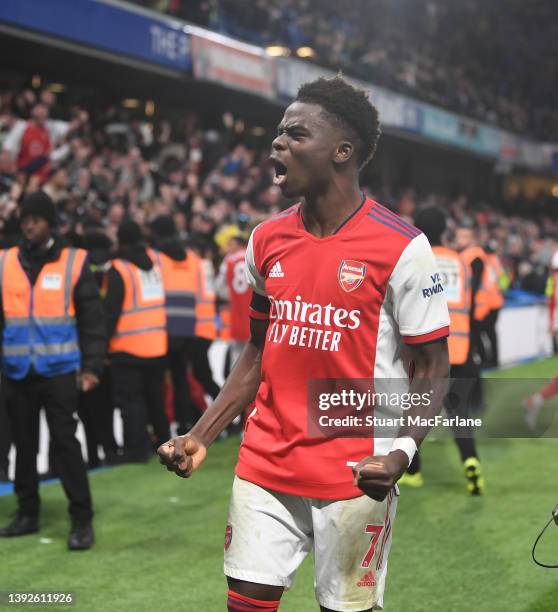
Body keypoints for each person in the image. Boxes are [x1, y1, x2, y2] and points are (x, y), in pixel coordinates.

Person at [159, 75, 450, 612]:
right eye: (278, 132)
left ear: (342, 151)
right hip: (264, 460)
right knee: (244, 603)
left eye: (295, 134)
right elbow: (256, 350)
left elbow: (433, 364)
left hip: (356, 472)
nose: (278, 143)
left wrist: (401, 454)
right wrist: (202, 433)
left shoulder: (402, 247)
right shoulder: (265, 240)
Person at [0, 191, 105, 549]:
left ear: (50, 222)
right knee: (24, 447)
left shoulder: (75, 261)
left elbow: (93, 320)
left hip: (61, 370)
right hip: (16, 371)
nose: (28, 224)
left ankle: (81, 519)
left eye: (36, 218)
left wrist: (91, 366)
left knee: (64, 444)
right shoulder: (5, 261)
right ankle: (27, 513)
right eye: (24, 218)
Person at [400, 206, 485, 495]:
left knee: (412, 408)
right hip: (459, 345)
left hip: (426, 348)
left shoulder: (416, 259)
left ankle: (413, 471)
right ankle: (471, 460)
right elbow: (469, 306)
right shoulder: (460, 262)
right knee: (458, 412)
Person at [105, 220, 169, 463]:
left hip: (127, 347)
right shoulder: (154, 263)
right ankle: (164, 442)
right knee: (156, 400)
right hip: (156, 345)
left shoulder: (119, 268)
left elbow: (110, 312)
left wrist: (102, 347)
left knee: (131, 403)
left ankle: (136, 449)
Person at [150, 215, 201, 434]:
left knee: (161, 381)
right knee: (181, 379)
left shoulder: (155, 258)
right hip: (188, 326)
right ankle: (185, 422)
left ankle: (161, 427)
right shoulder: (191, 257)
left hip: (164, 328)